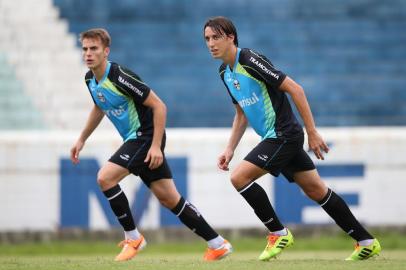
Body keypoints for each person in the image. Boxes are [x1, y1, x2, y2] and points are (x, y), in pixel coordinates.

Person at [203, 16, 381, 261]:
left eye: (216, 37)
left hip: (283, 135)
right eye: (207, 39)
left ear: (231, 37)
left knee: (239, 177)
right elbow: (241, 114)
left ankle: (278, 232)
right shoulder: (224, 72)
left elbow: (296, 89)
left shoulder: (250, 60)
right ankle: (366, 241)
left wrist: (312, 131)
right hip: (275, 137)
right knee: (317, 190)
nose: (211, 43)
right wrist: (229, 149)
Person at [70, 28, 232, 262]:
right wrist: (82, 138)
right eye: (85, 48)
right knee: (170, 199)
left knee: (105, 177)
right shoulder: (90, 79)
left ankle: (133, 238)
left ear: (106, 51)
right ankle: (218, 244)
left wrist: (155, 146)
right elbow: (100, 106)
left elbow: (159, 106)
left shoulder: (120, 76)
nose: (88, 53)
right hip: (138, 140)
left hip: (145, 137)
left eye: (93, 48)